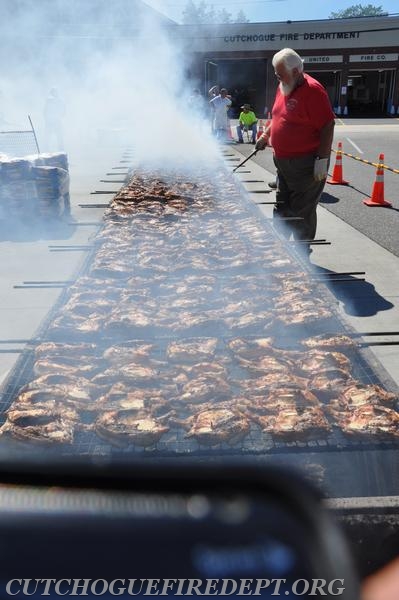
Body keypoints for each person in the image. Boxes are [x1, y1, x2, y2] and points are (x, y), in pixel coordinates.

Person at [255, 48, 335, 243]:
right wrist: (266, 135)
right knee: (282, 205)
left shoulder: (313, 91)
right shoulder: (284, 85)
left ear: (296, 72)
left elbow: (327, 126)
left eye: (280, 74)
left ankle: (301, 253)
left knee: (302, 211)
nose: (277, 78)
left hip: (306, 164)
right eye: (276, 74)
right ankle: (280, 248)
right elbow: (278, 116)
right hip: (282, 163)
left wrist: (321, 161)